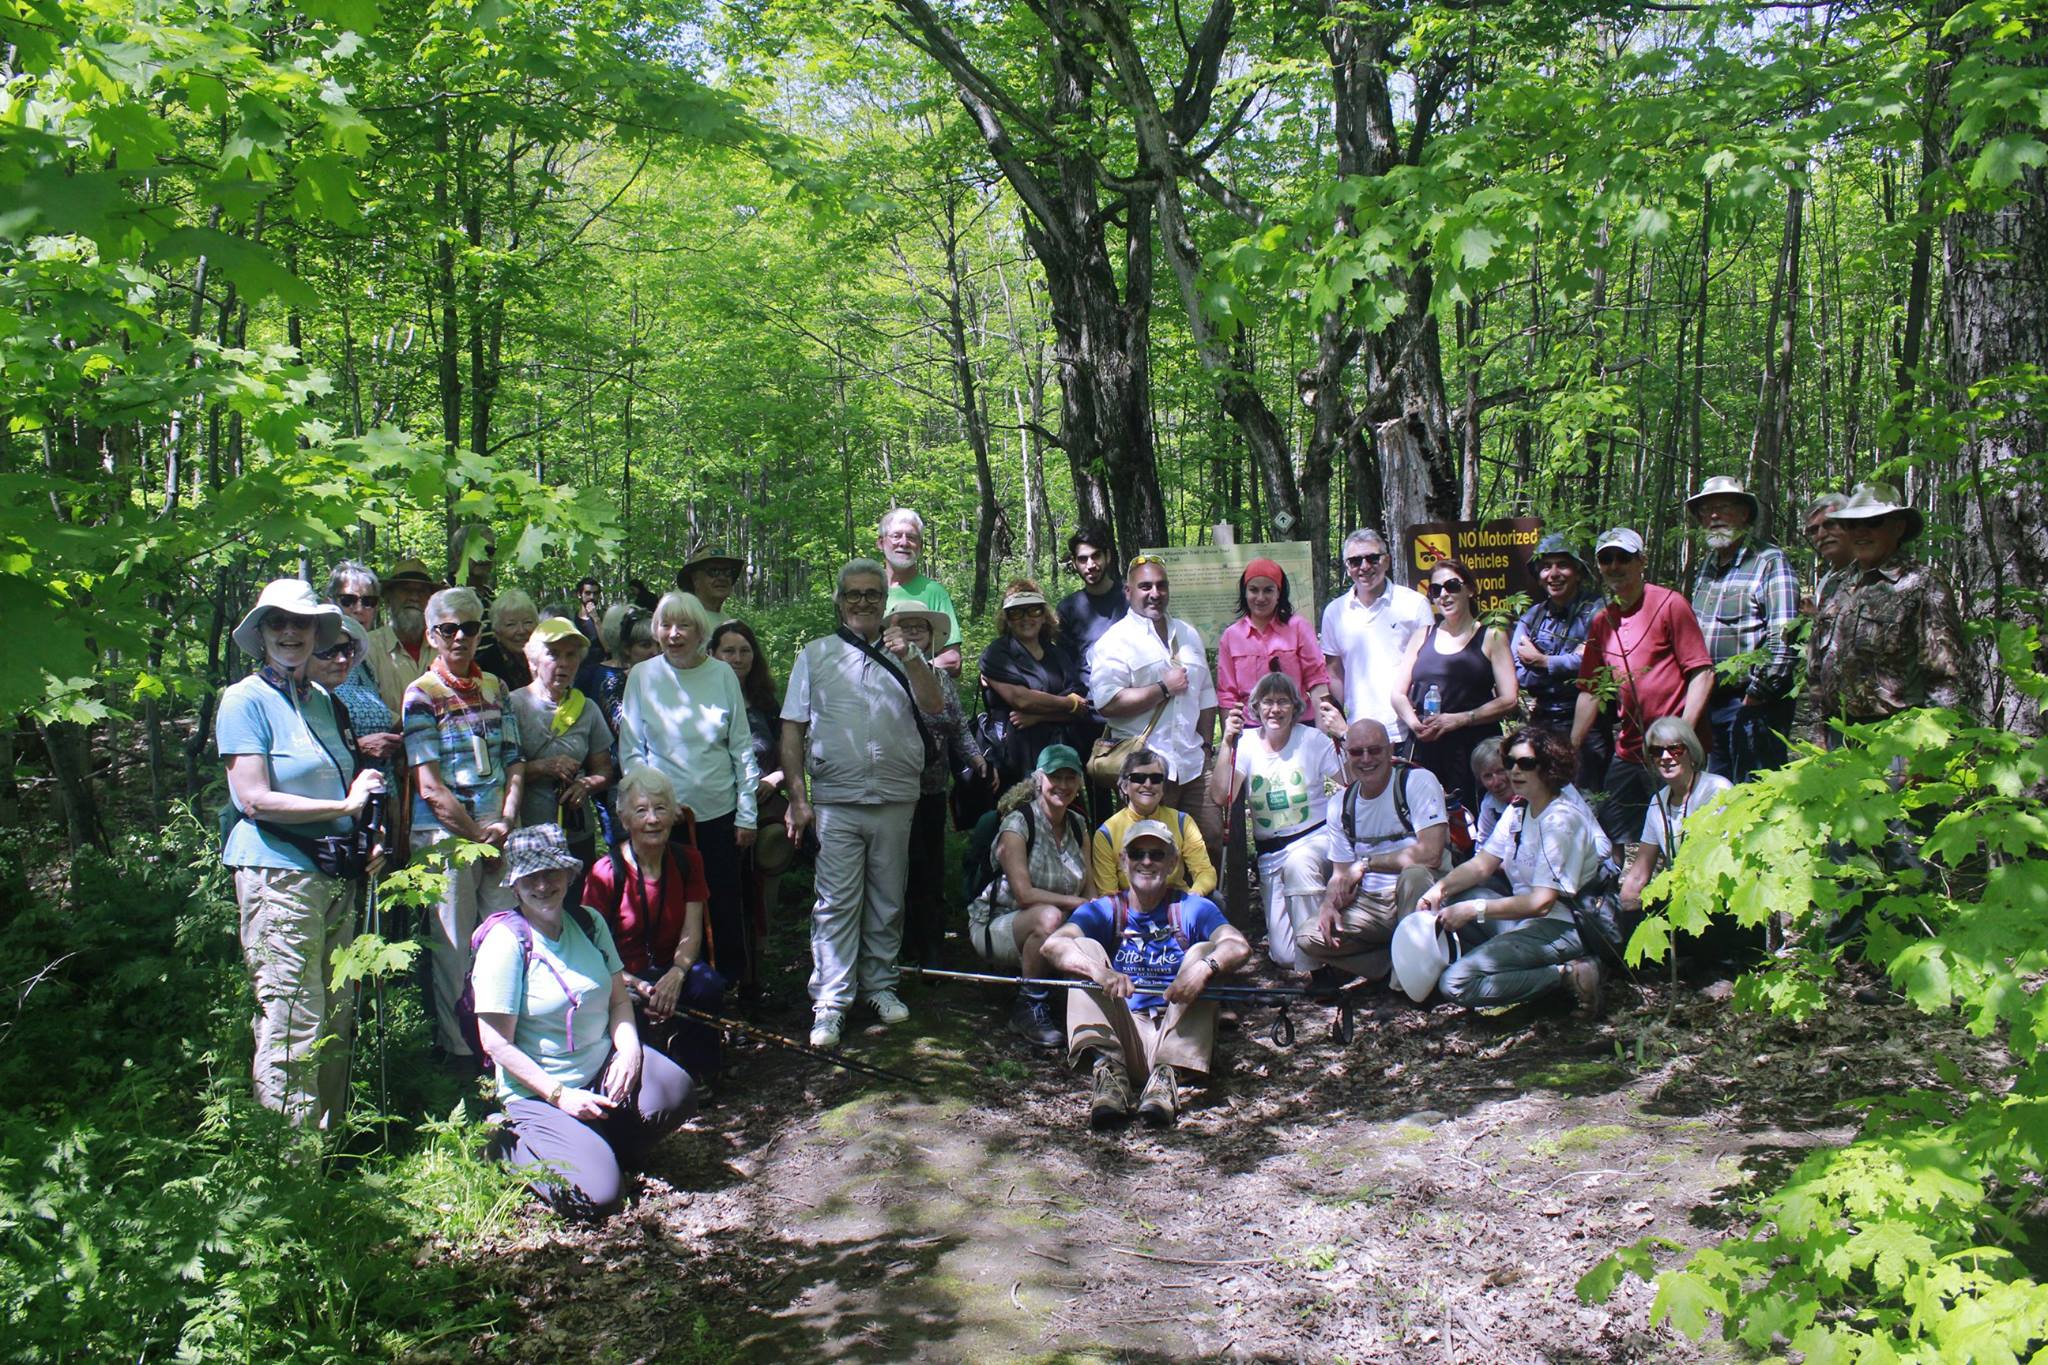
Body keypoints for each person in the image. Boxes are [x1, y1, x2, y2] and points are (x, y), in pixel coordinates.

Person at [219, 579, 384, 1129]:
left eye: (302, 623)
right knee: (294, 1017)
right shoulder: (244, 699)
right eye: (276, 622)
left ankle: (326, 1151)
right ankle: (289, 1171)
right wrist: (345, 802)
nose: (290, 632)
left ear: (317, 632)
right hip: (278, 875)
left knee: (338, 1013)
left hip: (336, 874)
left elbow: (346, 791)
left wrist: (364, 832)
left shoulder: (324, 703)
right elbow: (253, 797)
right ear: (261, 633)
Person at [474, 823, 695, 1220]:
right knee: (600, 1198)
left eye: (551, 873)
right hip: (539, 1093)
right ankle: (504, 1143)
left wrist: (628, 1052)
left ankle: (594, 1148)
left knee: (675, 1092)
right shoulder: (506, 943)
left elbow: (617, 1002)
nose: (542, 885)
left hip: (600, 1069)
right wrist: (560, 1095)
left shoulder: (589, 923)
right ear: (515, 884)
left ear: (569, 875)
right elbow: (495, 1043)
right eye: (530, 877)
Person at [781, 559, 945, 1047]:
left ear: (884, 601)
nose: (863, 602)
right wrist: (798, 796)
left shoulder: (908, 654)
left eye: (872, 594)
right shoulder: (815, 655)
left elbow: (935, 707)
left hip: (896, 793)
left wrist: (912, 657)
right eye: (853, 594)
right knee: (834, 903)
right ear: (839, 600)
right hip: (836, 796)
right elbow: (792, 727)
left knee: (888, 897)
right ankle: (830, 1001)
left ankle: (880, 985)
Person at [1042, 821, 1251, 1130]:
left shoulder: (1193, 908)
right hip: (1124, 1029)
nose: (1147, 862)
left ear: (1172, 863)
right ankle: (1109, 1076)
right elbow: (1053, 945)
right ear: (1123, 860)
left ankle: (1168, 1079)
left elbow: (1238, 945)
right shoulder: (1104, 909)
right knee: (1082, 949)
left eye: (1157, 854)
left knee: (1205, 951)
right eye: (1138, 853)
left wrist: (1204, 968)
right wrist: (1099, 972)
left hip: (1175, 1029)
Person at [402, 585, 526, 1061]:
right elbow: (430, 787)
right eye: (449, 629)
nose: (460, 638)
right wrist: (478, 837)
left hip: (498, 829)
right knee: (452, 948)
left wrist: (507, 820)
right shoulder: (421, 695)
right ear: (433, 635)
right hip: (446, 838)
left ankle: (504, 1048)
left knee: (503, 938)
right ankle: (458, 1053)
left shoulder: (495, 687)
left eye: (469, 628)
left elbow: (514, 759)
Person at [618, 591, 759, 987]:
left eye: (685, 626)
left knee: (724, 906)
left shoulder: (722, 674)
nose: (674, 634)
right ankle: (669, 989)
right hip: (662, 821)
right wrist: (649, 806)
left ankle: (729, 991)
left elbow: (741, 747)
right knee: (668, 908)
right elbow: (632, 750)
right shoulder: (643, 677)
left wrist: (746, 813)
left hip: (718, 816)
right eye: (666, 626)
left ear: (701, 631)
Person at [1419, 727, 1605, 1014]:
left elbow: (1541, 903)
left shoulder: (1561, 821)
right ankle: (1521, 976)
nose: (1514, 772)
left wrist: (1475, 909)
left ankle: (1569, 975)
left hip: (1563, 925)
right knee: (1453, 899)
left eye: (1526, 764)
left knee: (1456, 983)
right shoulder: (1519, 809)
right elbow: (1483, 864)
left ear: (1550, 767)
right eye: (1510, 763)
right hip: (1525, 921)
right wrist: (1439, 890)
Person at [1571, 528, 1714, 852]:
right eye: (1607, 559)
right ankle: (1615, 898)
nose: (1615, 566)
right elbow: (1591, 689)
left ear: (1641, 561)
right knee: (1609, 837)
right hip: (1631, 748)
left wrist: (1682, 737)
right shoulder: (1602, 622)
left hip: (1674, 751)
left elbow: (1702, 673)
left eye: (1623, 557)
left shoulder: (1669, 604)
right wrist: (1572, 745)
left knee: (1682, 840)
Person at [1798, 483, 1965, 745]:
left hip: (1898, 738)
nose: (1861, 532)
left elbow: (1946, 676)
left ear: (1898, 527)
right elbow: (1816, 669)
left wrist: (1929, 750)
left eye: (1873, 522)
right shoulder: (1836, 585)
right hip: (1838, 734)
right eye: (1852, 525)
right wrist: (1817, 734)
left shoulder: (1921, 584)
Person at [581, 768, 721, 1074]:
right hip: (623, 978)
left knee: (708, 986)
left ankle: (698, 1071)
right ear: (624, 818)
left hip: (670, 967)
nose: (653, 819)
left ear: (674, 814)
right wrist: (635, 984)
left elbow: (692, 929)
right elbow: (592, 951)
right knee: (627, 1010)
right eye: (641, 810)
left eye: (660, 809)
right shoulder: (605, 873)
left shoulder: (688, 860)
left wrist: (677, 973)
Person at [1089, 555, 1223, 856]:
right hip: (1147, 768)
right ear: (1128, 591)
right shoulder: (1115, 641)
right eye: (1145, 586)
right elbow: (1107, 702)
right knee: (1154, 850)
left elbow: (1205, 695)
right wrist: (1163, 689)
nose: (1155, 593)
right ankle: (1158, 905)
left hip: (1193, 763)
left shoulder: (1188, 634)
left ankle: (1201, 902)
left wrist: (1204, 747)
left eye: (1161, 586)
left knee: (1210, 840)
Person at [1208, 673, 1343, 972]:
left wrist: (1343, 734)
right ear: (1256, 708)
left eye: (1283, 702)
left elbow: (1348, 782)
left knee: (1300, 864)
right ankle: (1328, 945)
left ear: (1295, 708)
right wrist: (1227, 745)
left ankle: (1321, 967)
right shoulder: (1246, 746)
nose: (1275, 710)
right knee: (1284, 955)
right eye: (1267, 702)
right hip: (1271, 854)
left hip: (1313, 841)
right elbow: (1220, 796)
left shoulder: (1312, 740)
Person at [1304, 719, 1447, 984]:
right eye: (1357, 752)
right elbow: (1341, 874)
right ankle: (1397, 965)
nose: (1366, 759)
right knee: (1308, 937)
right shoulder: (1341, 804)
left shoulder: (1416, 782)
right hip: (1370, 904)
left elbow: (1431, 854)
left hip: (1420, 894)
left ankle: (1412, 977)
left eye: (1375, 750)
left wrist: (1367, 864)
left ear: (1390, 750)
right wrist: (1328, 903)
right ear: (1347, 756)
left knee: (1414, 875)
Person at [971, 745, 1095, 1049]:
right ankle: (1030, 1004)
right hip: (998, 925)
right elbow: (1025, 895)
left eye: (1071, 777)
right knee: (1048, 915)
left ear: (1079, 783)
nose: (1063, 786)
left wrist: (1097, 914)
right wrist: (1080, 905)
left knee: (1093, 922)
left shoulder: (1079, 826)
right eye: (1056, 777)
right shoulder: (1018, 823)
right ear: (1039, 779)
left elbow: (1090, 888)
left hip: (1059, 926)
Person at [892, 600, 991, 969]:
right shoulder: (885, 674)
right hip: (892, 791)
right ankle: (900, 946)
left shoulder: (943, 680)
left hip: (931, 790)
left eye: (922, 627)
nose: (915, 633)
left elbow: (958, 729)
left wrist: (977, 760)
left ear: (934, 637)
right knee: (896, 868)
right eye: (908, 627)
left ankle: (931, 946)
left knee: (928, 868)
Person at [1686, 476, 1800, 782]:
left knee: (1755, 793)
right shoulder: (1707, 566)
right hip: (1710, 703)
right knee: (1718, 791)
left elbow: (1784, 640)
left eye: (1722, 507)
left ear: (1744, 514)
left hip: (1753, 704)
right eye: (1706, 510)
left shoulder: (1769, 561)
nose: (1713, 516)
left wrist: (1756, 697)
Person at [1389, 557, 1519, 812]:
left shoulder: (1491, 636)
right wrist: (1415, 724)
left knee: (1478, 820)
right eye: (1436, 590)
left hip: (1476, 751)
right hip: (1427, 747)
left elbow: (1509, 699)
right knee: (1428, 820)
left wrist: (1460, 719)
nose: (1444, 595)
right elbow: (1397, 693)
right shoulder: (1422, 635)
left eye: (1452, 586)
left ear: (1470, 589)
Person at [709, 620, 794, 990]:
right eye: (729, 651)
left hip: (764, 808)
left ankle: (757, 962)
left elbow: (788, 753)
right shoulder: (702, 698)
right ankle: (722, 968)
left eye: (744, 651)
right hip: (716, 808)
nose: (737, 658)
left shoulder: (764, 701)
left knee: (766, 875)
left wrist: (774, 780)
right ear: (712, 654)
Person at [511, 618, 614, 891]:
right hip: (527, 832)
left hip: (575, 831)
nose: (564, 663)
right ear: (533, 660)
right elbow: (501, 771)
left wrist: (585, 784)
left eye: (571, 655)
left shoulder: (588, 708)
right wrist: (543, 767)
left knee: (578, 906)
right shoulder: (514, 705)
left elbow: (604, 769)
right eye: (554, 654)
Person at [1512, 535, 1609, 786]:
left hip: (1589, 724)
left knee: (1589, 796)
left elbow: (1595, 664)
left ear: (1577, 571)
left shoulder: (1597, 611)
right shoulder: (1532, 617)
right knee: (1545, 790)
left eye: (1562, 565)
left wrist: (1543, 661)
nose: (1554, 574)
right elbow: (1520, 673)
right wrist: (1569, 662)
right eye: (1546, 567)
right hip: (1543, 721)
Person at [1321, 529, 1434, 743]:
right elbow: (1334, 673)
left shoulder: (1414, 604)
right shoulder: (1334, 612)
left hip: (1409, 728)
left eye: (1372, 558)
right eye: (1355, 561)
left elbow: (1430, 667)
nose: (1364, 567)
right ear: (1347, 567)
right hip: (1357, 730)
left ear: (1387, 561)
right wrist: (1341, 719)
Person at [978, 580, 1091, 788]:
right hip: (1013, 757)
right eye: (1016, 613)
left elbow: (1082, 707)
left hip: (1059, 756)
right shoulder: (997, 654)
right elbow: (1021, 699)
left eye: (1034, 611)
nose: (1026, 618)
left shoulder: (1057, 654)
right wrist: (1068, 704)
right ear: (1007, 619)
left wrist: (1039, 716)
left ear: (1044, 615)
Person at [1618, 716, 1733, 917]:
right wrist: (1624, 902)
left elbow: (1715, 860)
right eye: (1656, 751)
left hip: (1718, 897)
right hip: (1681, 895)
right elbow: (1640, 870)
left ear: (1691, 752)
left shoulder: (1716, 790)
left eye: (1675, 749)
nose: (1665, 757)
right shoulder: (1658, 801)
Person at [1214, 557, 1335, 722]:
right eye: (1254, 590)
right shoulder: (1231, 636)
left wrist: (1322, 733)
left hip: (1298, 725)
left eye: (1268, 590)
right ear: (1245, 592)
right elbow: (1227, 695)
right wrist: (1230, 741)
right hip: (1252, 729)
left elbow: (1317, 680)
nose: (1261, 597)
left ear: (1279, 593)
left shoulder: (1299, 627)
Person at [1090, 747, 1219, 897]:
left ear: (1163, 787)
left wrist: (1195, 896)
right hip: (1131, 910)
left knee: (1215, 900)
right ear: (1124, 786)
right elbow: (1108, 893)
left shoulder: (1183, 822)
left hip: (1177, 904)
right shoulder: (1107, 833)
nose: (1148, 784)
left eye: (1156, 779)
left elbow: (1205, 871)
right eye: (1138, 778)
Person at [876, 508, 964, 675]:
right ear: (880, 543)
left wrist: (911, 669)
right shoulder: (868, 593)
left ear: (920, 546)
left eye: (911, 537)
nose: (903, 542)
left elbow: (953, 659)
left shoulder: (934, 591)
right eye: (896, 536)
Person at [363, 556, 440, 714]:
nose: (414, 597)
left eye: (422, 592)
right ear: (388, 598)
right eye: (406, 590)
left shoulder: (443, 647)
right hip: (391, 738)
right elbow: (366, 707)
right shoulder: (368, 648)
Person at [1054, 523, 1128, 687]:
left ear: (1107, 556)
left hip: (1134, 698)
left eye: (1096, 556)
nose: (1090, 565)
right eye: (1082, 559)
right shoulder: (1068, 609)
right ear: (1074, 563)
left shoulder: (1131, 598)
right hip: (1089, 704)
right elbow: (1066, 663)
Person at [587, 603, 657, 736]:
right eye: (645, 645)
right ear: (627, 648)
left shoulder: (670, 678)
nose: (655, 652)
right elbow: (628, 731)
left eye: (658, 645)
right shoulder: (613, 685)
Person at [1802, 492, 1855, 616]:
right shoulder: (1827, 579)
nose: (1821, 534)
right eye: (1814, 530)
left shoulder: (1870, 576)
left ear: (1852, 524)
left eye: (1830, 524)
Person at [476, 589, 539, 692]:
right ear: (496, 630)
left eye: (527, 622)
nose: (521, 631)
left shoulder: (545, 659)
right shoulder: (483, 668)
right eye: (511, 624)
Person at [676, 549, 744, 620]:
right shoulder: (683, 619)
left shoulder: (728, 622)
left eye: (727, 571)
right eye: (713, 571)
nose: (722, 577)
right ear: (695, 579)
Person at [1469, 736, 1510, 843]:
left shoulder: (1538, 798)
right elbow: (1483, 844)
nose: (1496, 782)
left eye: (1501, 771)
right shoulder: (1490, 805)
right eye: (1488, 776)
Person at [573, 576, 607, 658]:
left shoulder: (605, 617)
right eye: (587, 593)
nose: (592, 597)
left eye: (595, 593)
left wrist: (596, 619)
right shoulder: (572, 620)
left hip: (600, 665)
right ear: (579, 594)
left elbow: (608, 647)